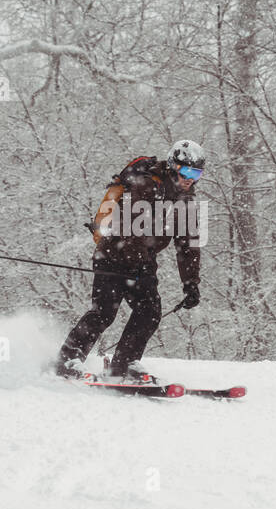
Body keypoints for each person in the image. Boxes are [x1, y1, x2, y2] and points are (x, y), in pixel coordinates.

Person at [55, 140, 205, 382]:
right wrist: (135, 264)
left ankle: (122, 366)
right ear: (172, 166)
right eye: (186, 171)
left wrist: (191, 284)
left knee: (150, 312)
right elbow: (130, 229)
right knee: (104, 312)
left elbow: (188, 245)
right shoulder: (146, 185)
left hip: (142, 263)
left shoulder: (186, 201)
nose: (190, 178)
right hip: (113, 256)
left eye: (196, 173)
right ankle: (66, 361)